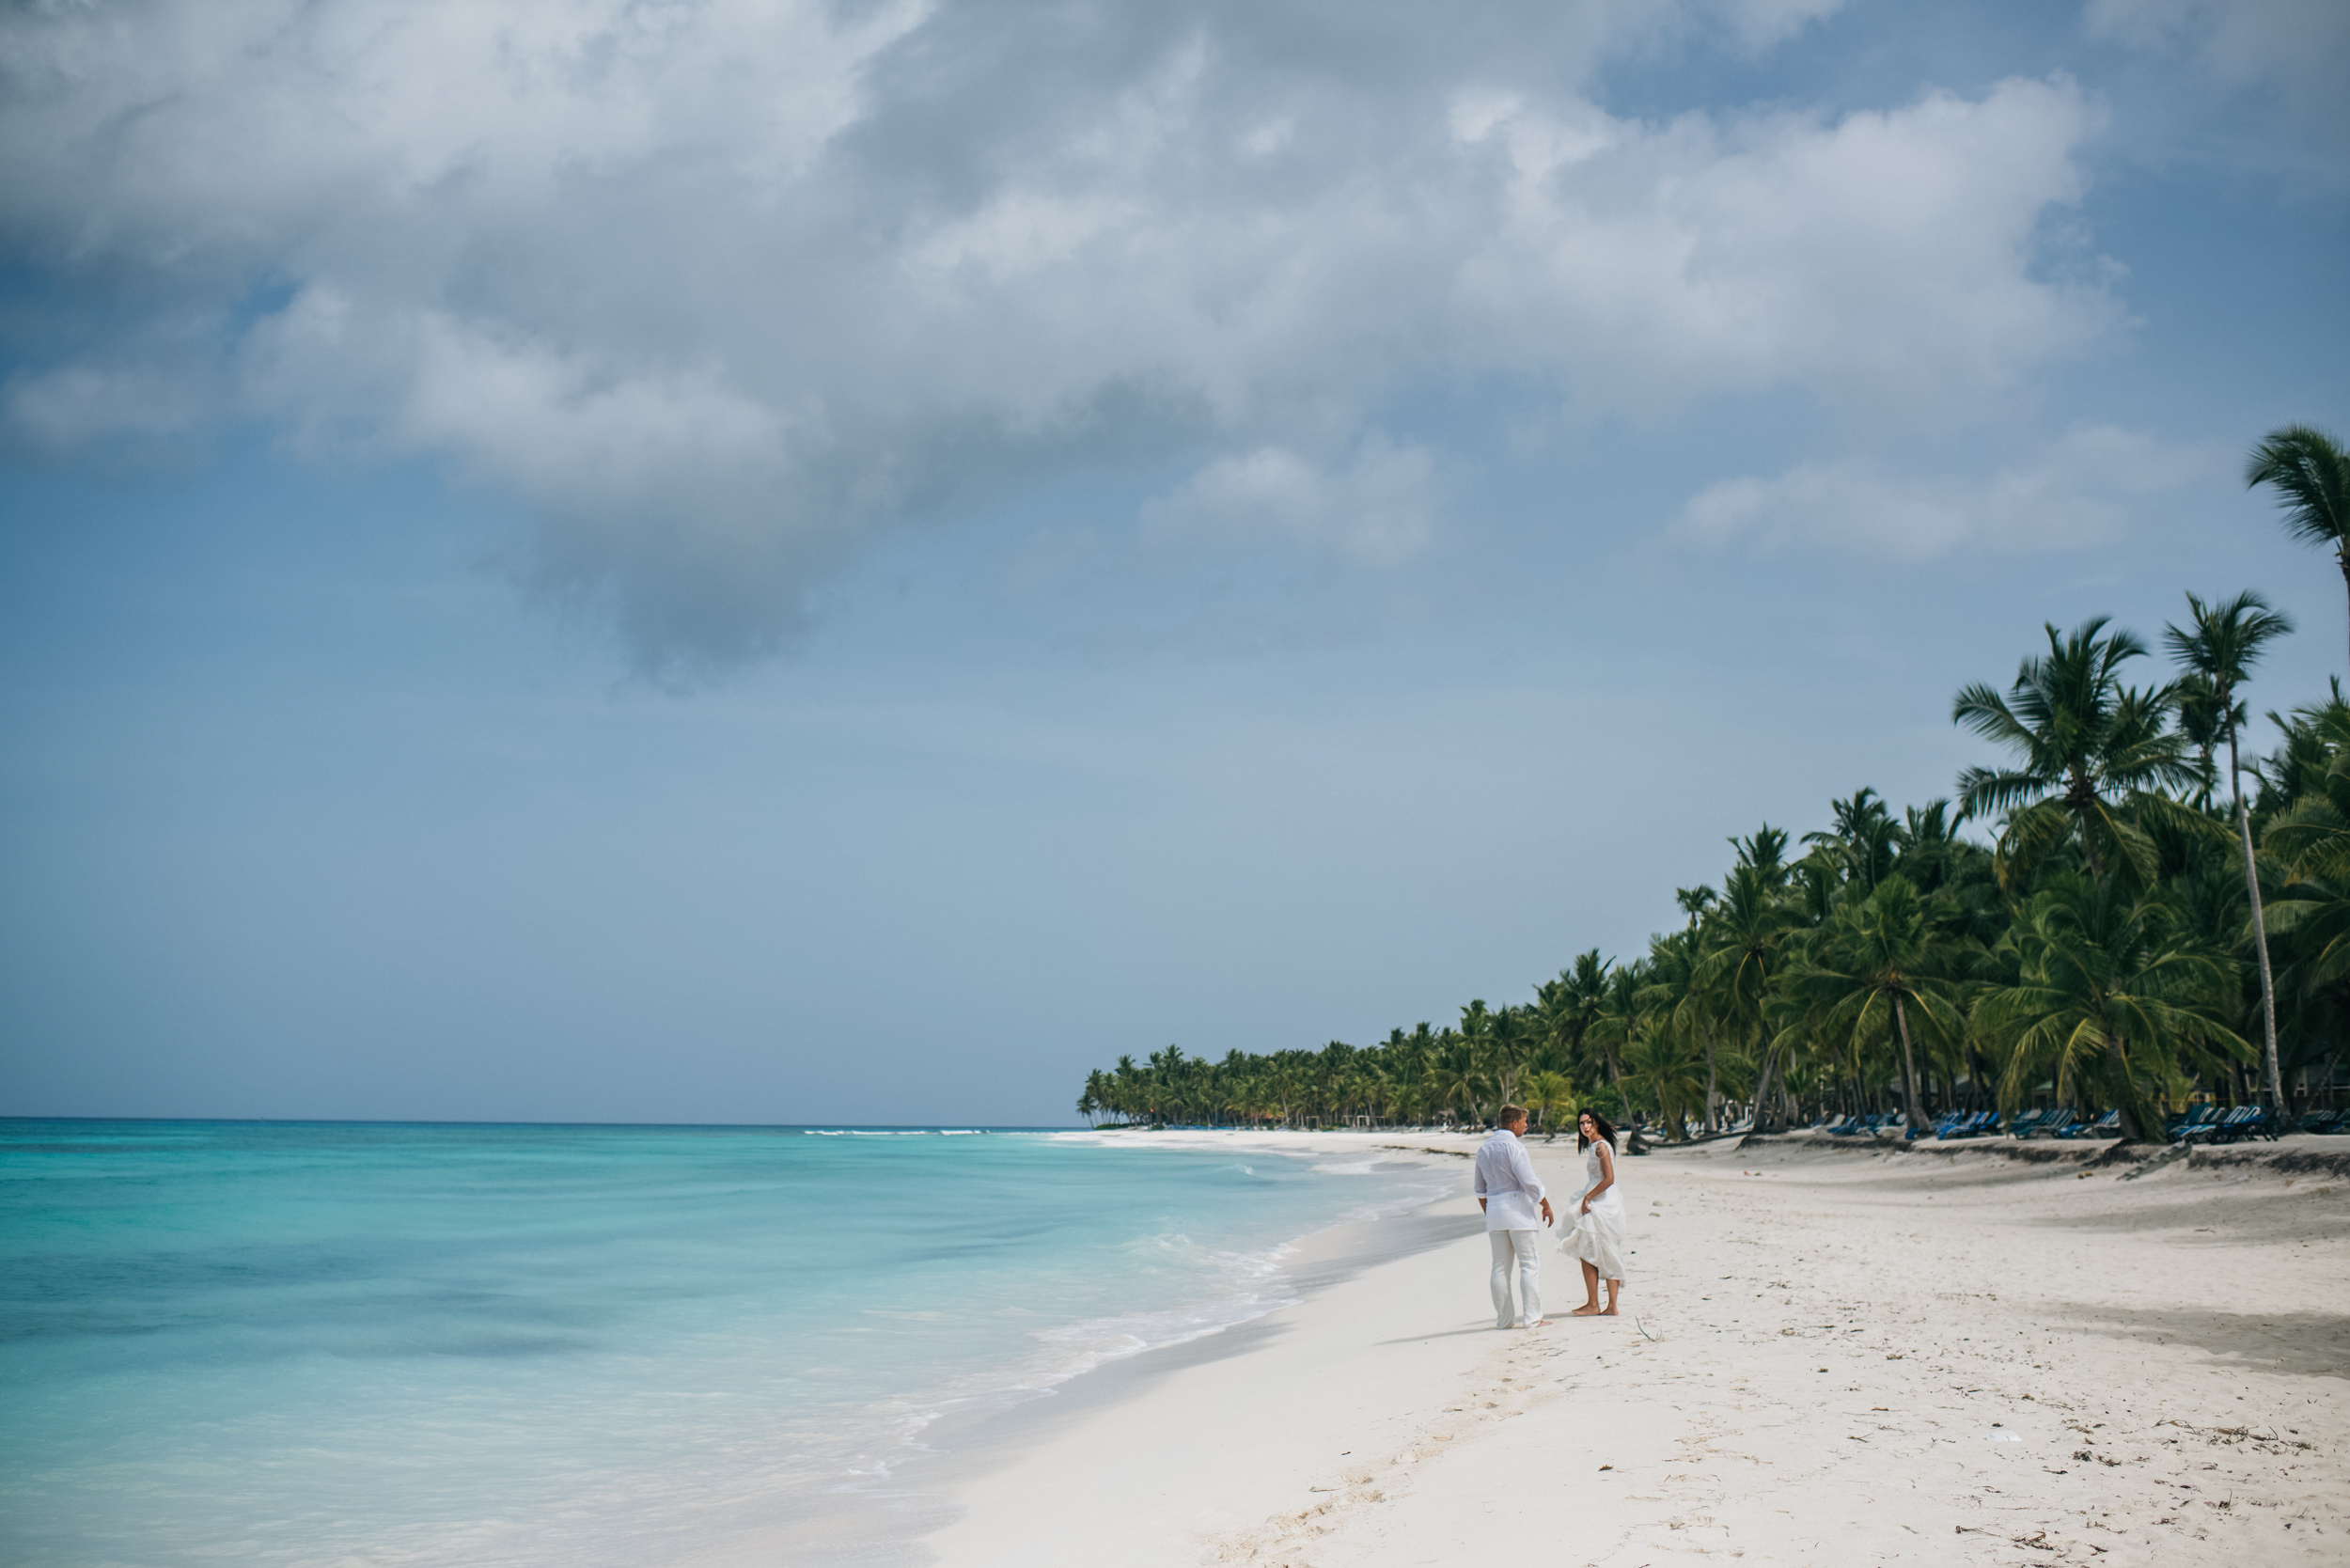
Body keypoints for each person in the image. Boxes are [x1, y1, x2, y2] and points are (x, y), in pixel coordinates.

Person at [1473, 1105, 1554, 1329]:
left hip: (1495, 1213)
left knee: (1499, 1268)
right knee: (1529, 1264)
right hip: (1518, 1213)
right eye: (1524, 1121)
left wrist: (1490, 1212)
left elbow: (1480, 1190)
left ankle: (1504, 1320)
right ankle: (1532, 1319)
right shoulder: (1514, 1147)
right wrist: (1546, 1205)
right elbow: (1529, 1182)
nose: (1526, 1125)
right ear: (1513, 1123)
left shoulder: (1484, 1149)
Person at [1566, 1107, 1627, 1316]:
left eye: (1588, 1122)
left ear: (1596, 1123)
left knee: (1593, 1250)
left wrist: (1588, 1198)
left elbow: (1609, 1179)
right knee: (1600, 1250)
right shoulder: (1595, 1145)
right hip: (1600, 1199)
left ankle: (1597, 1304)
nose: (1585, 1126)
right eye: (1581, 1123)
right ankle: (1607, 1305)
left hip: (1603, 1203)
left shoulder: (1600, 1146)